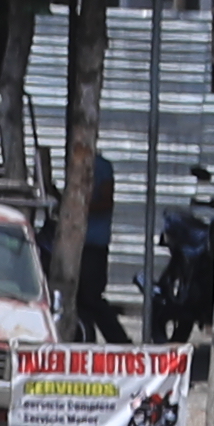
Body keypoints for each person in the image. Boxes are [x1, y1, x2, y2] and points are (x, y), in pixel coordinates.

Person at [70, 144, 131, 346]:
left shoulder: (101, 166)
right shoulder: (76, 166)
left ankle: (119, 341)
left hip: (94, 242)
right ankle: (86, 338)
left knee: (91, 296)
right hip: (79, 242)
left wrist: (81, 208)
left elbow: (106, 201)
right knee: (79, 297)